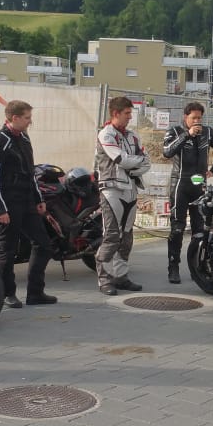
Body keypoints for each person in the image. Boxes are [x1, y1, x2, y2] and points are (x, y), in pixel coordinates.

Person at [0, 100, 56, 308]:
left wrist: (39, 199)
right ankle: (7, 294)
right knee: (7, 250)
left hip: (27, 200)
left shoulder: (24, 137)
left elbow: (30, 171)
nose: (30, 122)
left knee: (44, 244)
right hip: (8, 203)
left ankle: (35, 293)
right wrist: (0, 209)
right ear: (14, 118)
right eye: (27, 118)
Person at [161, 102, 213, 284]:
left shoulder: (208, 132)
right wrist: (187, 135)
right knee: (177, 228)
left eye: (200, 118)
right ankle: (173, 267)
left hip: (199, 184)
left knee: (200, 230)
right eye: (193, 118)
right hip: (180, 184)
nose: (197, 121)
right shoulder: (175, 131)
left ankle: (197, 268)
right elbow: (167, 152)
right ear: (186, 117)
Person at [95, 96, 150, 296]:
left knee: (126, 237)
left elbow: (147, 162)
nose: (130, 117)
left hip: (131, 189)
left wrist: (134, 163)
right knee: (111, 236)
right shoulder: (106, 133)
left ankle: (120, 276)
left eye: (130, 113)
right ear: (115, 113)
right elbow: (121, 159)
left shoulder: (133, 136)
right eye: (127, 113)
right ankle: (104, 279)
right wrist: (136, 162)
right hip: (111, 189)